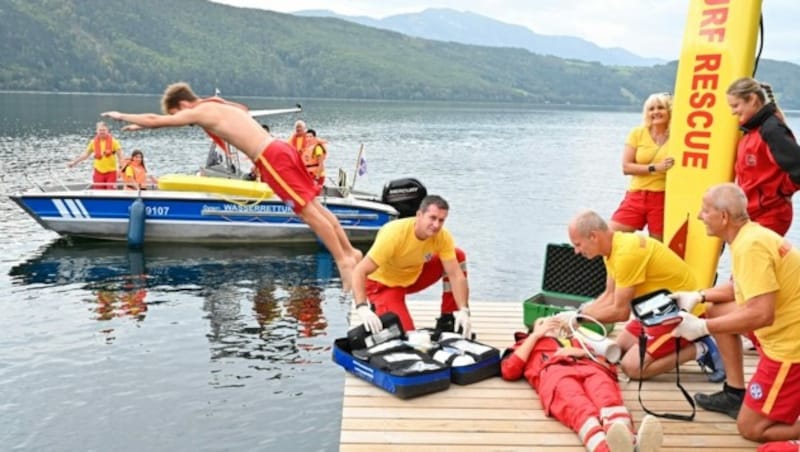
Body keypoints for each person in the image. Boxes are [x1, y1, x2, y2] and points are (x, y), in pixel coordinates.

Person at [101, 82, 362, 290]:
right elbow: (223, 118)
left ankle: (343, 261)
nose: (186, 120)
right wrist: (141, 128)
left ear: (182, 104)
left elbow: (155, 119)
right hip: (280, 148)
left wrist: (121, 115)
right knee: (316, 207)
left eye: (177, 115)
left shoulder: (199, 111)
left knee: (308, 213)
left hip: (269, 158)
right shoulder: (215, 104)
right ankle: (351, 252)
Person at [670, 183, 800, 448]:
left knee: (750, 427)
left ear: (724, 217)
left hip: (790, 346)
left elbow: (762, 314)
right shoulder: (751, 236)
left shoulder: (750, 247)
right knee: (716, 308)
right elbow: (742, 286)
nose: (698, 216)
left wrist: (703, 327)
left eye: (705, 211)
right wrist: (699, 295)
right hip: (785, 322)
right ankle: (734, 392)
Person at [569, 210, 724, 382]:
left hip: (681, 312)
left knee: (632, 367)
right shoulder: (612, 248)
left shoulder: (626, 255)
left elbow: (620, 312)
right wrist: (579, 313)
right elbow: (608, 296)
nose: (576, 251)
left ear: (593, 236)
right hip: (655, 308)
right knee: (617, 350)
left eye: (578, 244)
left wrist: (578, 320)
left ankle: (701, 347)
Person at [501, 315, 664, 452]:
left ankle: (630, 442)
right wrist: (536, 336)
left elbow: (610, 368)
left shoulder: (577, 341)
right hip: (556, 373)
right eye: (543, 322)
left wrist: (581, 352)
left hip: (591, 369)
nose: (550, 323)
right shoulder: (525, 345)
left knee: (608, 398)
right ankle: (608, 448)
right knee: (581, 409)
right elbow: (509, 370)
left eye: (553, 321)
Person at [351, 195, 471, 338]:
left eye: (441, 220)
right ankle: (378, 306)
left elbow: (456, 275)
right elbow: (359, 271)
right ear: (419, 215)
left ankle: (449, 318)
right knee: (407, 336)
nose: (436, 225)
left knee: (457, 256)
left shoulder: (442, 237)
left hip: (412, 276)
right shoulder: (394, 234)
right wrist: (361, 307)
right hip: (383, 285)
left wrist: (464, 310)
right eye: (432, 218)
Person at [725, 77, 800, 236]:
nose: (733, 111)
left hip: (770, 215)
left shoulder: (771, 130)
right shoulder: (750, 130)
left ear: (752, 99)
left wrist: (781, 192)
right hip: (751, 214)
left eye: (735, 105)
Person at [609, 93, 676, 241]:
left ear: (669, 111)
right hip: (636, 196)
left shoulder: (677, 136)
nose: (656, 112)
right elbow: (626, 167)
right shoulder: (637, 133)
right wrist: (654, 168)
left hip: (662, 197)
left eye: (661, 108)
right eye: (651, 109)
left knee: (658, 246)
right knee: (610, 236)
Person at [67, 121, 124, 189]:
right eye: (100, 130)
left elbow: (121, 157)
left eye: (104, 130)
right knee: (98, 191)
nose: (102, 132)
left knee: (110, 190)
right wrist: (74, 162)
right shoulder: (93, 142)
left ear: (107, 130)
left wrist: (121, 170)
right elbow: (85, 155)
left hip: (111, 172)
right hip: (98, 172)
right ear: (97, 131)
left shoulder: (114, 142)